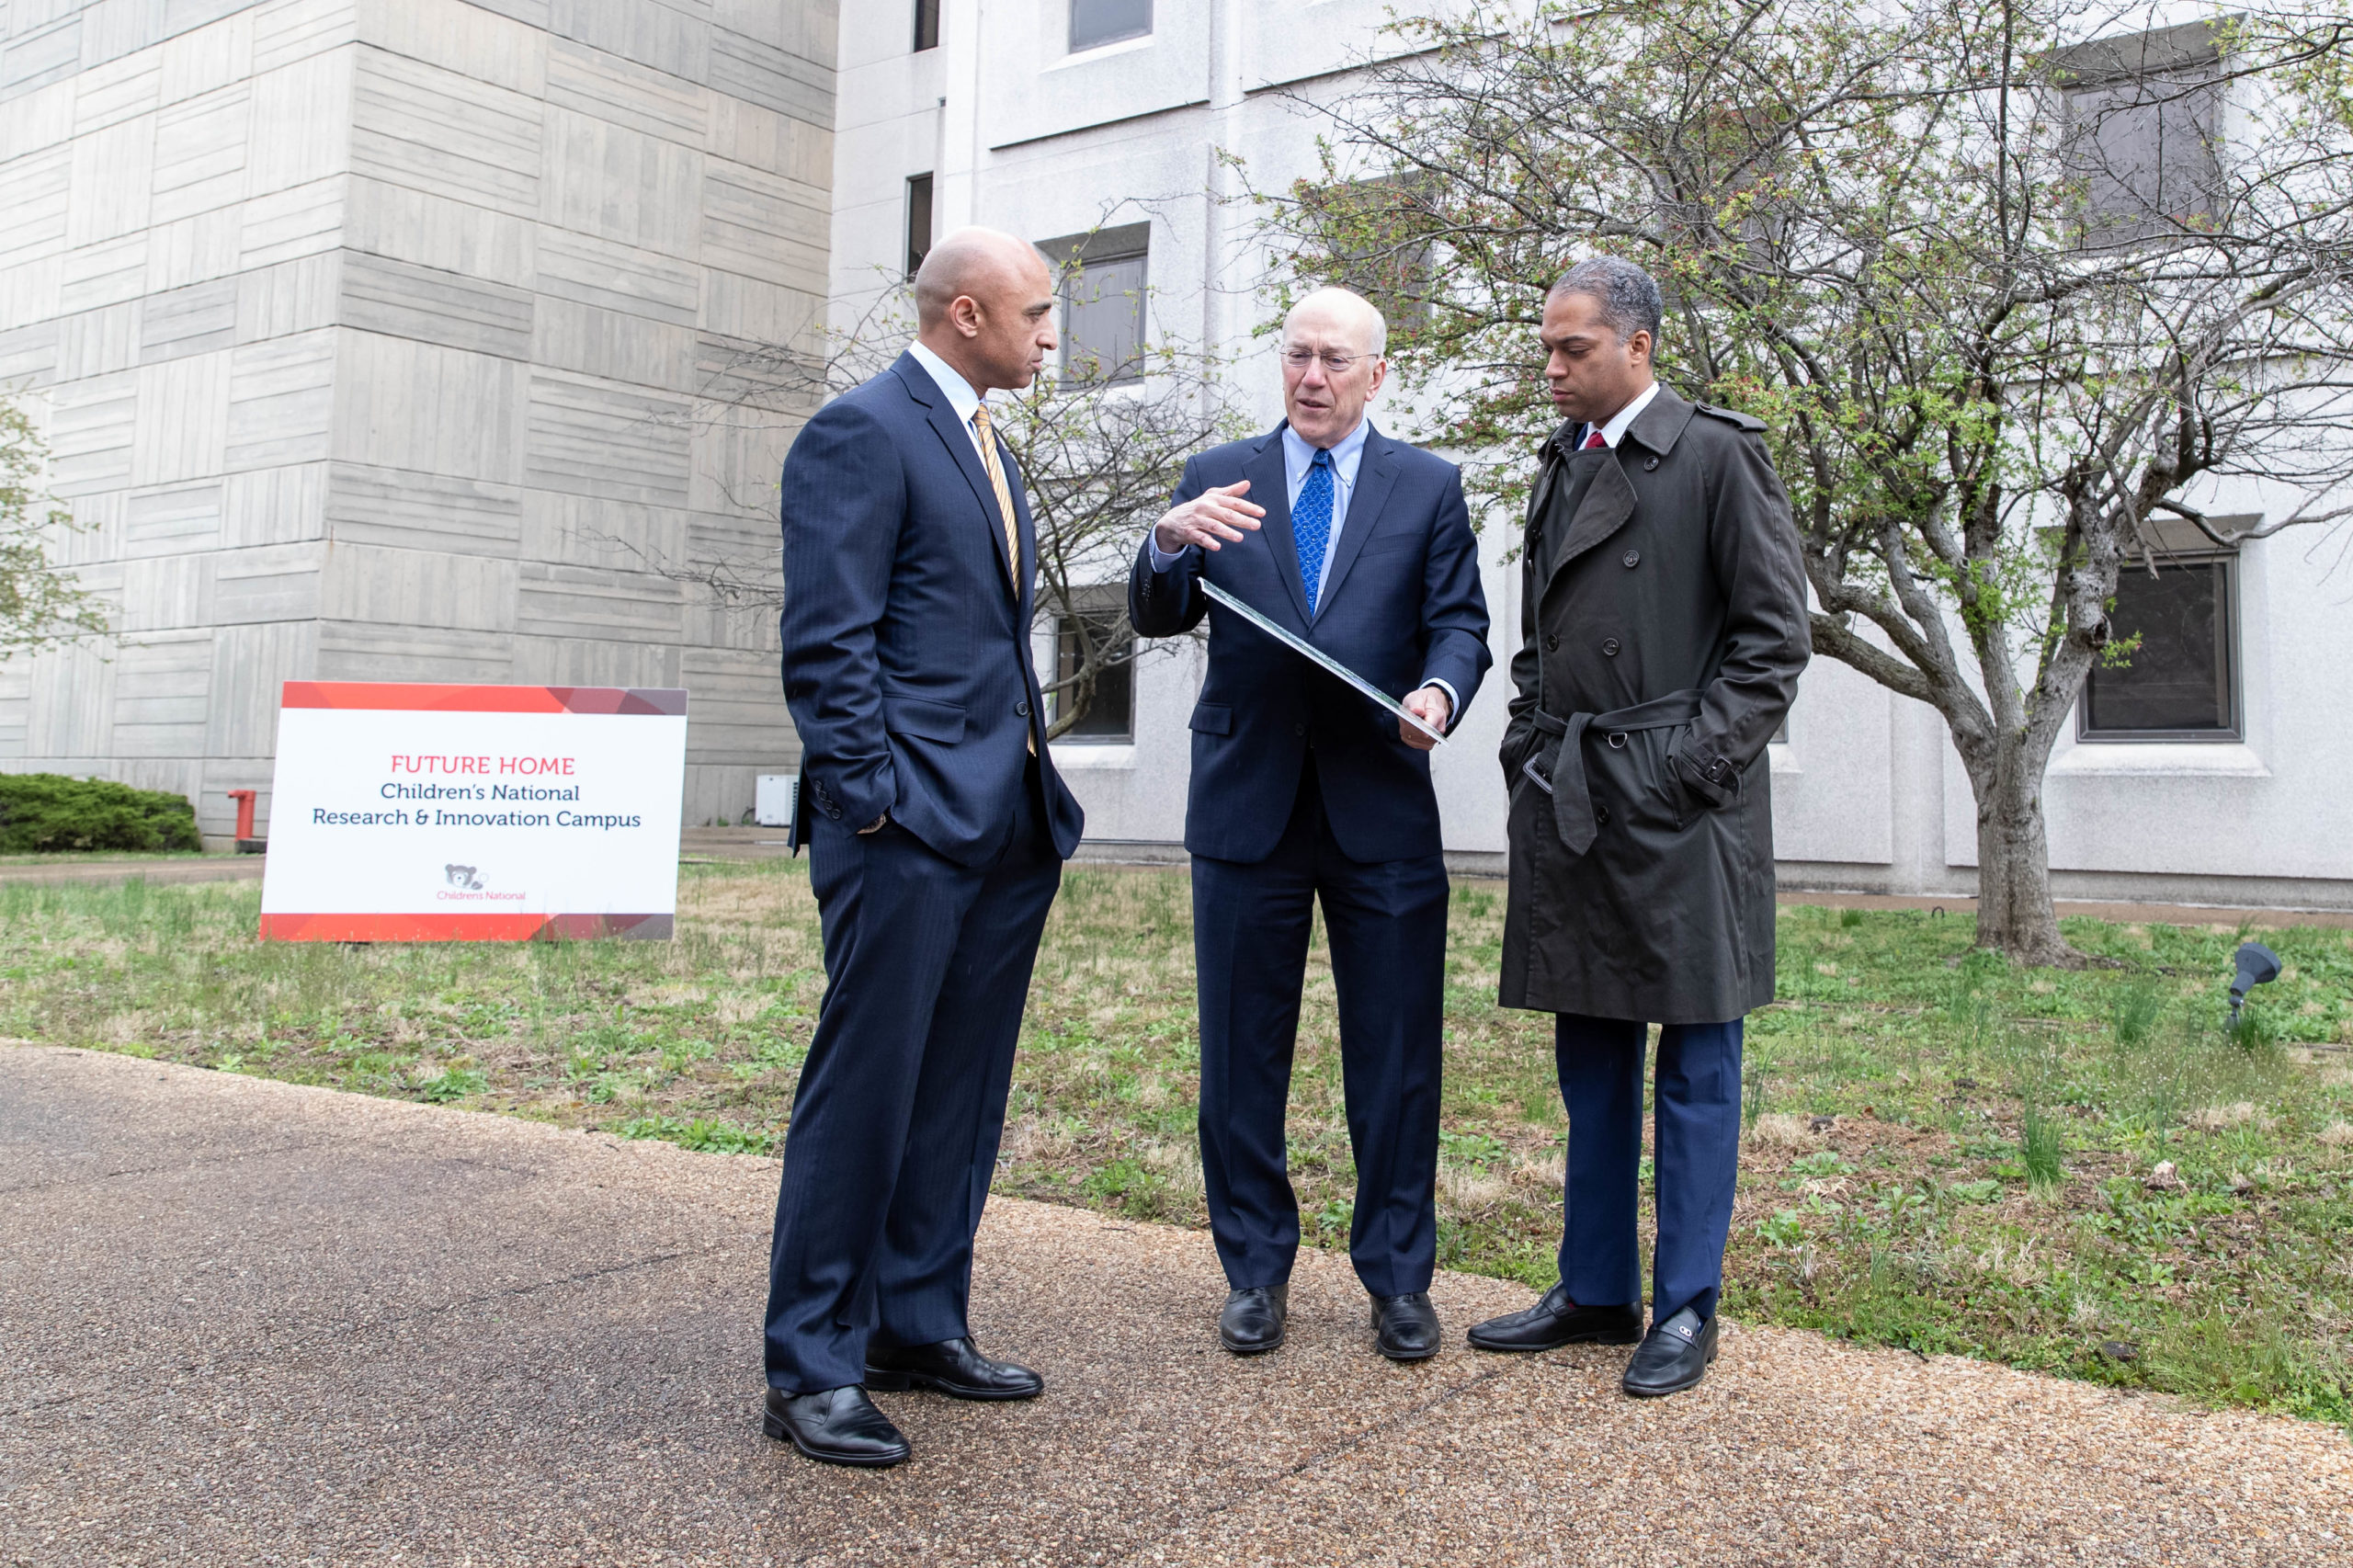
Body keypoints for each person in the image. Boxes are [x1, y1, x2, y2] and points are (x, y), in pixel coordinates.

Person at [764, 227, 1086, 1467]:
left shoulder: (983, 437)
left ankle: (914, 1321)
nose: (1052, 334)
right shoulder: (865, 430)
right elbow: (828, 641)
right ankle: (813, 1364)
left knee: (958, 1090)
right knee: (866, 1095)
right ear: (965, 314)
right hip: (903, 830)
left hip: (1003, 825)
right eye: (1038, 313)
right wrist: (873, 802)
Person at [1466, 256, 1809, 1396]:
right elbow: (1536, 639)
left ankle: (1687, 1304)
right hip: (1572, 796)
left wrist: (1687, 767)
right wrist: (1526, 739)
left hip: (1681, 811)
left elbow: (1772, 642)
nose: (1551, 369)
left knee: (1698, 1062)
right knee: (1591, 1052)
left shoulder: (1718, 453)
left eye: (1573, 349)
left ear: (1638, 345)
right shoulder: (1562, 464)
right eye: (1548, 348)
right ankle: (1597, 1287)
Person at [1129, 287, 1491, 1362]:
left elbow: (1458, 621)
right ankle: (1252, 1269)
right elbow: (1159, 610)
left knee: (1396, 1055)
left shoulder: (1428, 486)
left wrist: (1439, 692)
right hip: (1247, 809)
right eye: (1296, 355)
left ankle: (1396, 1278)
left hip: (1380, 807)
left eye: (1334, 359)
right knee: (1240, 1055)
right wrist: (1163, 541)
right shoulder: (1215, 478)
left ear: (1377, 375)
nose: (1311, 376)